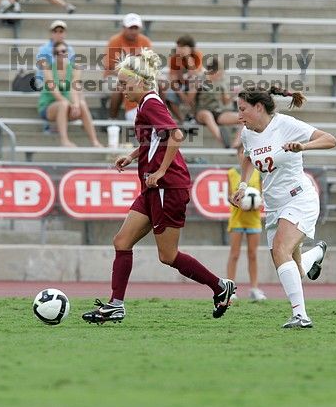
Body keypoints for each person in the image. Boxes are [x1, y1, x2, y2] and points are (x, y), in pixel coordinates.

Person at [82, 48, 236, 324]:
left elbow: (175, 135)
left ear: (141, 82)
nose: (121, 89)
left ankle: (219, 286)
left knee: (167, 256)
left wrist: (161, 171)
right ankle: (116, 304)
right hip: (153, 186)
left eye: (124, 84)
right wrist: (131, 156)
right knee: (122, 241)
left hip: (168, 187)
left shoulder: (151, 102)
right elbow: (152, 140)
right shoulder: (144, 104)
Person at [230, 86, 336, 329]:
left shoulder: (287, 124)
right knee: (292, 269)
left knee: (280, 249)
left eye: (242, 109)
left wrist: (303, 147)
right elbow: (247, 157)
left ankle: (301, 316)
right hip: (275, 205)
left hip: (299, 198)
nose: (239, 116)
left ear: (258, 107)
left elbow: (330, 139)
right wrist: (244, 184)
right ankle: (315, 254)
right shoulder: (248, 132)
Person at [38, 40, 103, 147]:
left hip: (66, 106)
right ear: (54, 55)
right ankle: (64, 140)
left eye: (63, 51)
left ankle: (94, 141)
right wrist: (72, 105)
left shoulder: (74, 67)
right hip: (48, 106)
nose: (61, 54)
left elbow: (75, 88)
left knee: (81, 104)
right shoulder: (48, 69)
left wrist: (76, 104)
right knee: (63, 104)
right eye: (57, 52)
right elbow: (55, 93)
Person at [227, 145, 266, 301]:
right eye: (241, 153)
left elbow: (262, 196)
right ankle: (230, 288)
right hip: (237, 219)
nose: (243, 155)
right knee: (234, 254)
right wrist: (236, 201)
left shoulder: (258, 174)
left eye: (246, 153)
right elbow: (229, 196)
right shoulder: (231, 173)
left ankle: (255, 288)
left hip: (254, 220)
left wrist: (257, 202)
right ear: (237, 155)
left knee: (253, 255)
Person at [102, 13, 153, 121]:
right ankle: (112, 119)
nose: (133, 31)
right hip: (114, 76)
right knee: (119, 85)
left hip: (139, 76)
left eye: (136, 28)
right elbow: (110, 67)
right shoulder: (115, 41)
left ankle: (158, 116)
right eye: (131, 28)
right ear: (124, 28)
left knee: (160, 83)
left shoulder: (145, 41)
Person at [186, 57, 241, 148]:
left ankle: (236, 143)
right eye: (220, 70)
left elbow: (225, 101)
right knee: (207, 115)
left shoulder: (221, 82)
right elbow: (188, 100)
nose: (222, 73)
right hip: (201, 112)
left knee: (242, 118)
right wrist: (195, 87)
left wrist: (233, 94)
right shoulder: (200, 79)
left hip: (217, 112)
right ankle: (223, 140)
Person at [164, 35, 204, 123]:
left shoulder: (197, 55)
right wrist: (182, 94)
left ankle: (194, 116)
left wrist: (188, 57)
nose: (179, 49)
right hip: (180, 85)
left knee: (194, 82)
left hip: (194, 83)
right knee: (169, 94)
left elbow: (195, 73)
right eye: (178, 46)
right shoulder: (174, 58)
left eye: (182, 47)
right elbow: (172, 78)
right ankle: (182, 120)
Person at [35, 20, 76, 89]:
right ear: (51, 33)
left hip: (62, 82)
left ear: (65, 33)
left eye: (61, 31)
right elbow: (46, 71)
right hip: (45, 83)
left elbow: (71, 69)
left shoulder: (69, 49)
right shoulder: (43, 49)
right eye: (55, 31)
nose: (58, 34)